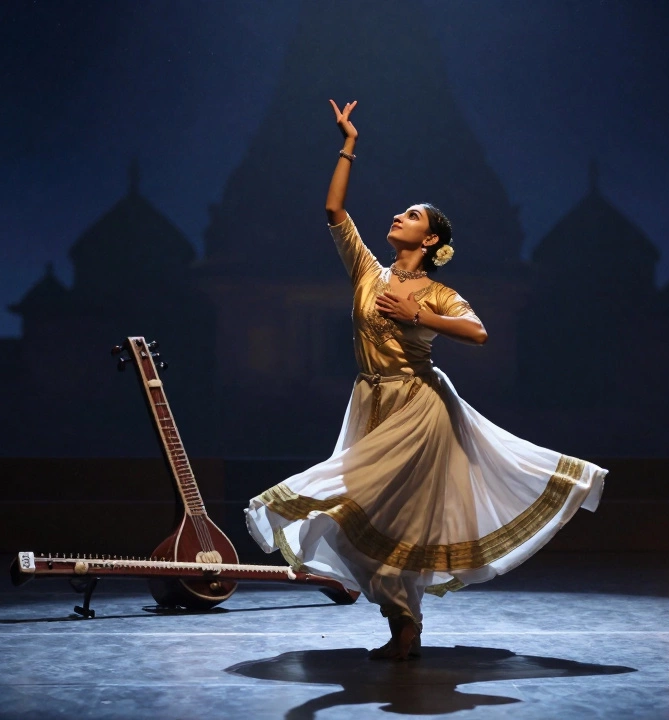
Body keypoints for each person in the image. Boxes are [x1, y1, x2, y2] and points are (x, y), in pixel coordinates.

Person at [245, 99, 607, 661]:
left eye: (412, 215)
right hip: (370, 401)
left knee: (380, 513)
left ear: (431, 240)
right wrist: (348, 144)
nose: (399, 216)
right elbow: (334, 210)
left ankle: (404, 625)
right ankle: (403, 622)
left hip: (420, 406)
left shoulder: (438, 292)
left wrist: (418, 316)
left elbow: (478, 332)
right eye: (401, 212)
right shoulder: (369, 270)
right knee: (376, 520)